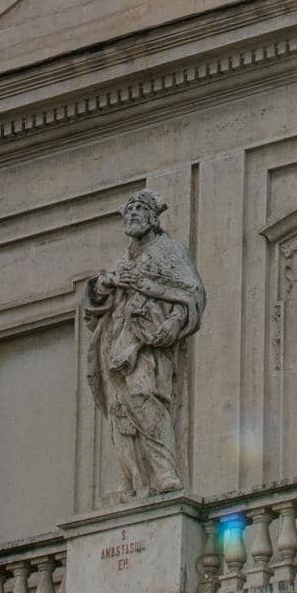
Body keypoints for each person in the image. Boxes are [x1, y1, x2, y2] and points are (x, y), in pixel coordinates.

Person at [83, 190, 206, 499]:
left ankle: (164, 472)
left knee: (142, 397)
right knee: (119, 409)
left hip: (147, 342)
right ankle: (131, 480)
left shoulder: (169, 252)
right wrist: (105, 284)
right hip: (115, 342)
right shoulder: (122, 262)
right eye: (130, 210)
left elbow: (190, 294)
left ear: (153, 218)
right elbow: (94, 306)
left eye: (140, 209)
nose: (133, 214)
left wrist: (173, 323)